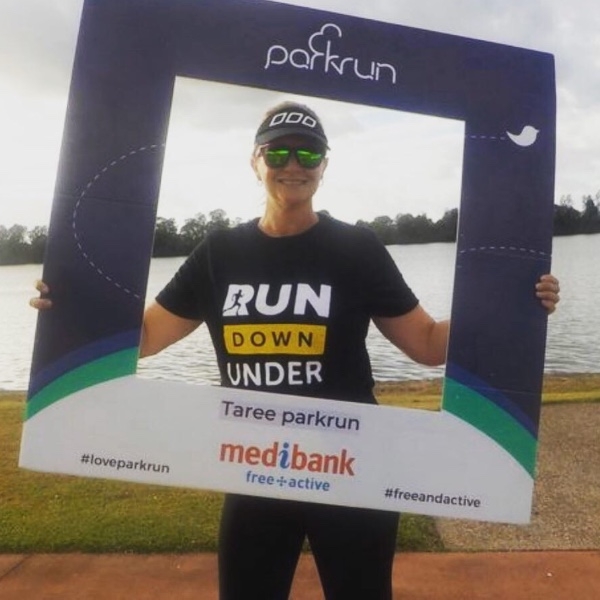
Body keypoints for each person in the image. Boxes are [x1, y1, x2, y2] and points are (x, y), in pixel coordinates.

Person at [32, 101, 561, 599]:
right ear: (255, 161)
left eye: (308, 153)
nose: (293, 165)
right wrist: (70, 308)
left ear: (325, 165)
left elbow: (425, 344)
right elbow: (145, 338)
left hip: (353, 467)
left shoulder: (355, 247)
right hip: (253, 468)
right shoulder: (219, 252)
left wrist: (511, 309)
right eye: (278, 151)